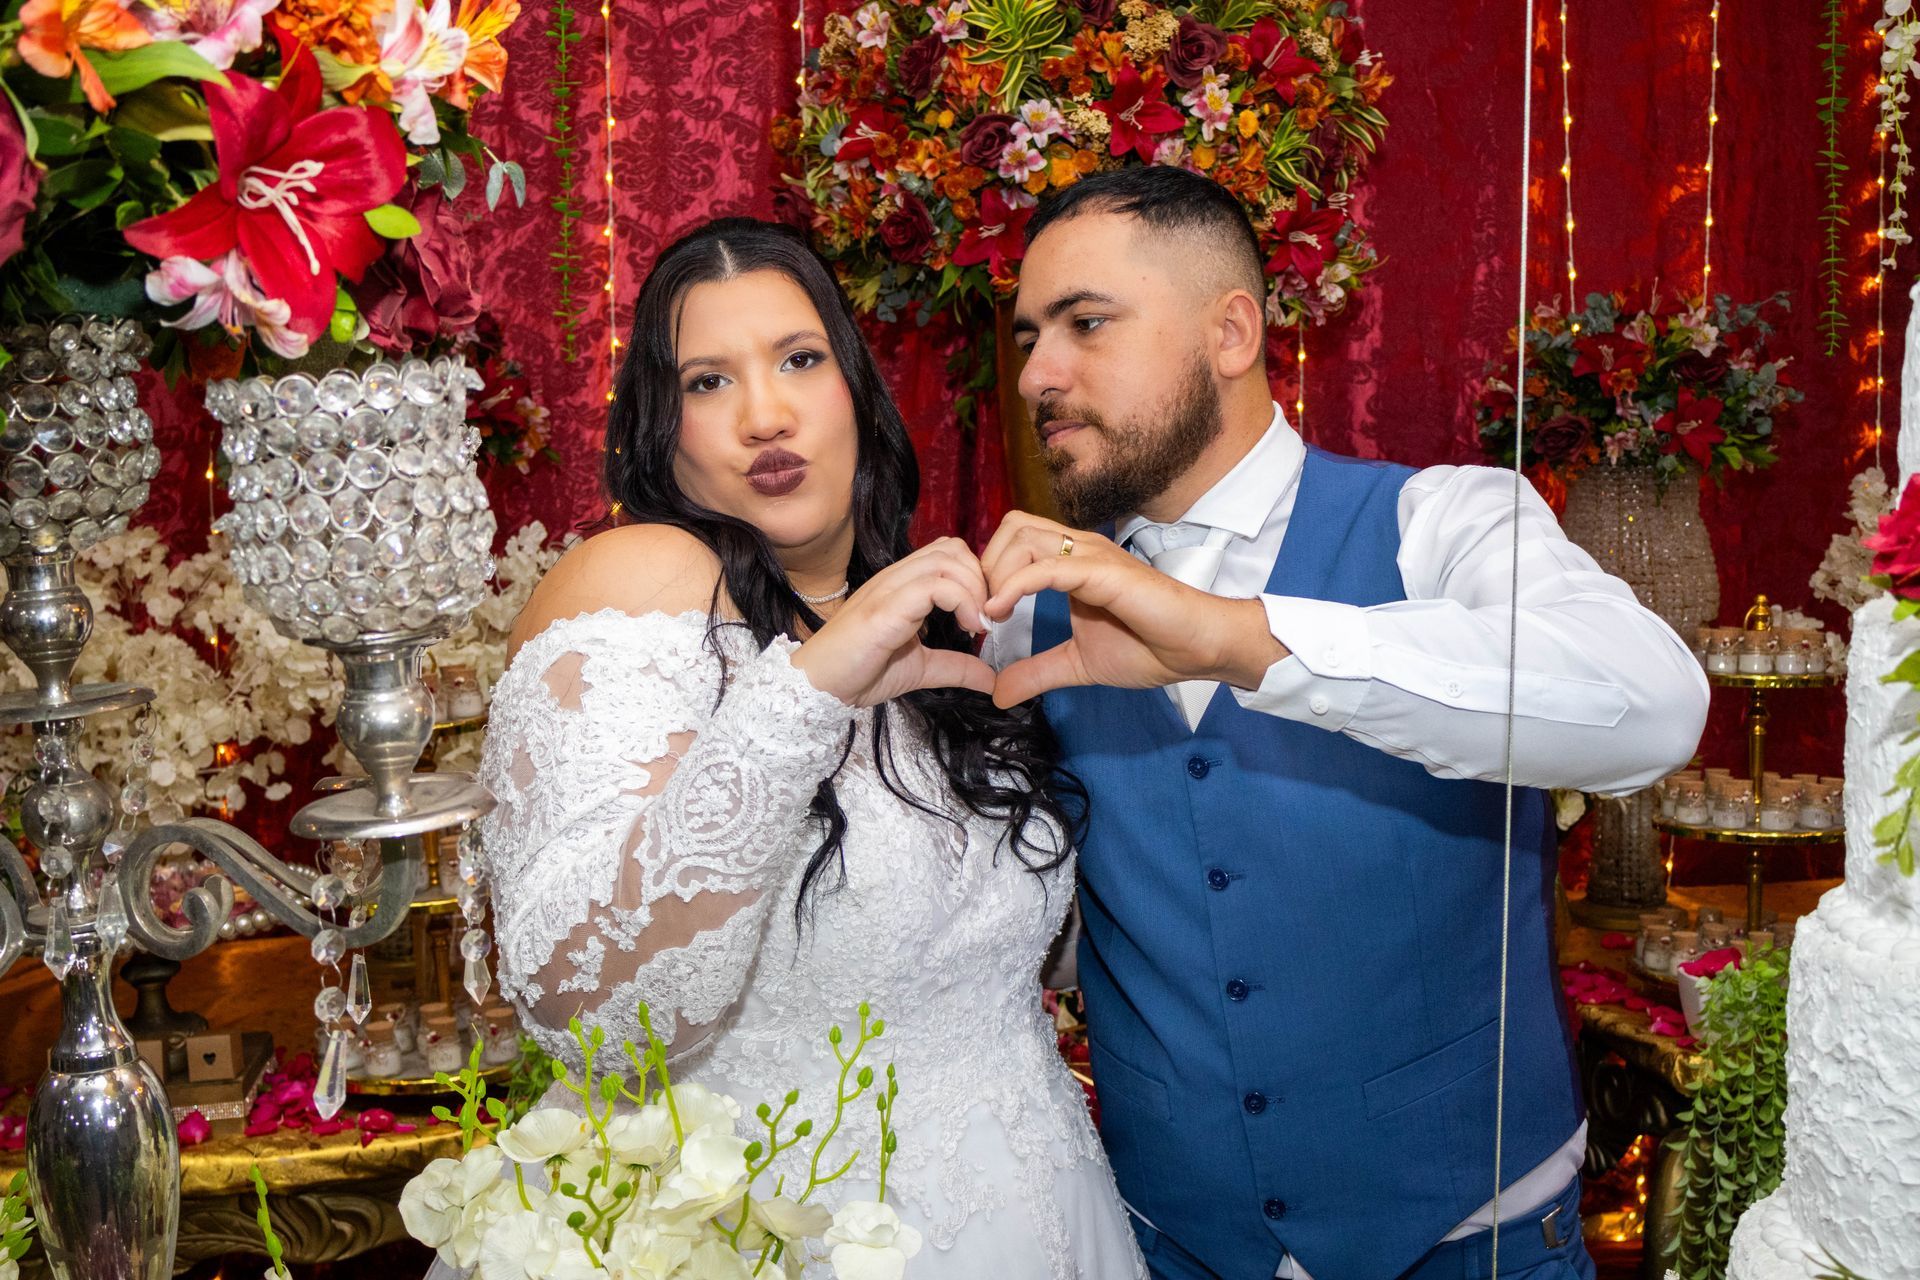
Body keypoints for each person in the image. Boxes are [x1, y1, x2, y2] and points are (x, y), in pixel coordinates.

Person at [978, 167, 1710, 1280]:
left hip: (1477, 1244)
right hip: (1171, 1241)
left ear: (1232, 333)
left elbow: (1655, 703)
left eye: (1086, 323)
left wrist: (1239, 639)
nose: (1038, 372)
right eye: (1030, 336)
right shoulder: (1022, 620)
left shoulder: (1444, 522)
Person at [467, 218, 1144, 1278]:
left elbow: (1010, 949)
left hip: (1041, 1217)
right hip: (769, 1234)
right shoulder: (643, 582)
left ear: (855, 391)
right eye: (708, 382)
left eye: (798, 359)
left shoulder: (937, 623)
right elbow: (587, 1006)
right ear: (663, 431)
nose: (765, 415)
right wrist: (806, 692)